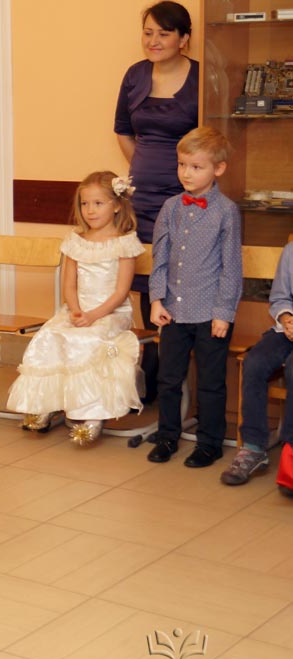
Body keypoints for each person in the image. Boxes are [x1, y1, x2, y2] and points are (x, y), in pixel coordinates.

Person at [7, 172, 145, 445]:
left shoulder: (124, 242)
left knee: (88, 340)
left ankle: (92, 413)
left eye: (98, 203)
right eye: (84, 204)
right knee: (49, 335)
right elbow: (69, 286)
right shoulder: (75, 241)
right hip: (77, 309)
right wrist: (76, 311)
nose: (90, 210)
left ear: (117, 205)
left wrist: (93, 315)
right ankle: (47, 403)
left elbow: (121, 292)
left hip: (110, 312)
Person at [114, 1, 198, 405]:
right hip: (141, 200)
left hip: (186, 200)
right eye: (148, 33)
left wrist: (180, 177)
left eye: (163, 33)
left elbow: (213, 140)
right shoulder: (135, 75)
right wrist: (142, 172)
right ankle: (149, 375)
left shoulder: (202, 77)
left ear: (184, 38)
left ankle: (175, 379)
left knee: (178, 283)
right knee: (146, 282)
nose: (154, 41)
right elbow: (123, 131)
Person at [147, 126, 242, 467]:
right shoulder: (170, 207)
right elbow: (159, 258)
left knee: (210, 382)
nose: (187, 173)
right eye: (182, 165)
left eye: (196, 167)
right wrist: (156, 300)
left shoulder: (226, 211)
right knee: (168, 379)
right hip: (173, 310)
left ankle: (210, 443)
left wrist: (223, 313)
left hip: (210, 313)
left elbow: (231, 267)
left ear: (218, 168)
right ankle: (167, 436)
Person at [222, 243, 293, 485]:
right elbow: (280, 297)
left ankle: (290, 451)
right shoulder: (291, 250)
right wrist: (287, 318)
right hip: (287, 330)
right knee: (254, 363)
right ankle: (253, 447)